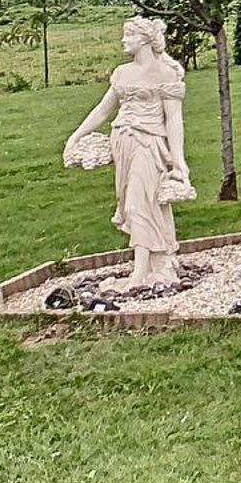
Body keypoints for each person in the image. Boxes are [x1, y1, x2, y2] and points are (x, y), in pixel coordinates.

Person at [67, 17, 191, 287]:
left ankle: (139, 273)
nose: (123, 40)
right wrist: (76, 136)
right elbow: (103, 109)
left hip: (150, 143)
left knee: (139, 201)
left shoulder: (166, 74)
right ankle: (161, 260)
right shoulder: (122, 73)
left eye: (128, 35)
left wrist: (179, 161)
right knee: (130, 200)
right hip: (122, 140)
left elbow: (174, 120)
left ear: (145, 39)